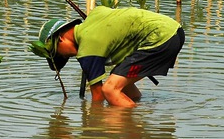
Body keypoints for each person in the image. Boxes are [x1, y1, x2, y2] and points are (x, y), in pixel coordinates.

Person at [35, 6, 185, 107]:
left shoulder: (88, 48)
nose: (65, 56)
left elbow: (98, 98)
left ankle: (134, 123)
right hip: (174, 30)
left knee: (110, 89)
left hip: (159, 39)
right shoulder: (95, 15)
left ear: (60, 39)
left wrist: (92, 123)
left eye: (59, 54)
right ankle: (136, 107)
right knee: (121, 85)